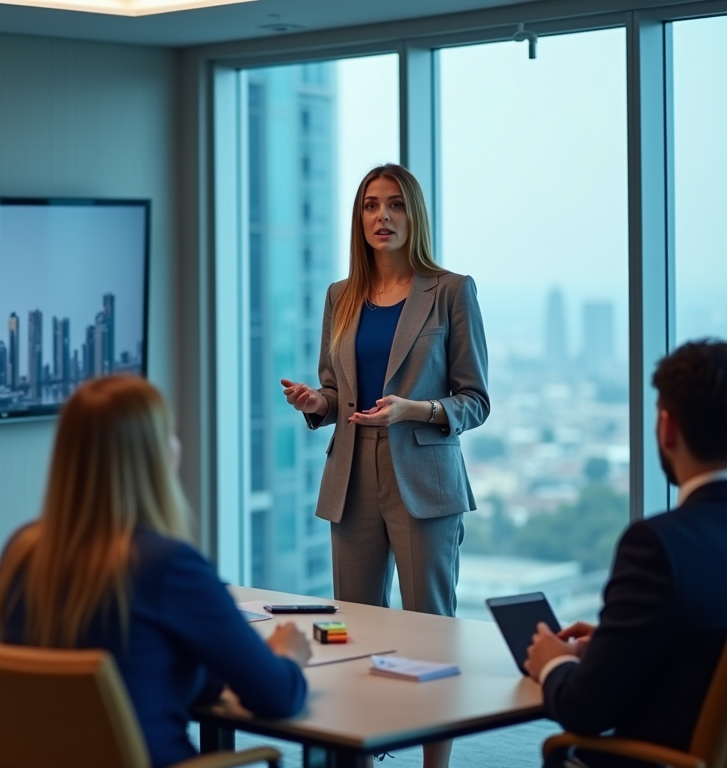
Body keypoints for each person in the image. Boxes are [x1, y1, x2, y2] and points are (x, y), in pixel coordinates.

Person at [0, 375, 310, 768]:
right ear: (153, 455)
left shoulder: (23, 550)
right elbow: (275, 697)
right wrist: (286, 657)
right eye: (169, 433)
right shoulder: (167, 565)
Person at [281, 164, 488, 768]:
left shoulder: (451, 290)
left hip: (424, 479)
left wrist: (412, 410)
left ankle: (434, 764)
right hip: (351, 477)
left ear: (413, 215)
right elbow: (333, 392)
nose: (382, 217)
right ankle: (358, 759)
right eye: (371, 206)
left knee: (430, 633)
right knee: (353, 632)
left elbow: (475, 401)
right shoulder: (340, 297)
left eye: (394, 205)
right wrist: (314, 402)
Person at [525, 339, 727, 768]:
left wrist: (552, 664)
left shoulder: (659, 546)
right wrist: (620, 645)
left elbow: (586, 711)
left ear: (667, 428)